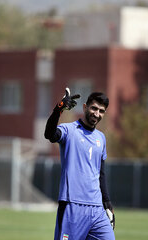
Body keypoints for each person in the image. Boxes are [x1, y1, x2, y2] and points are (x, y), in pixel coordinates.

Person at [44, 88, 115, 240]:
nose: (97, 113)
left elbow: (100, 173)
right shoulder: (70, 130)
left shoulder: (101, 138)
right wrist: (59, 108)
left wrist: (107, 203)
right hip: (72, 205)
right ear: (84, 107)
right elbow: (49, 134)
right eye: (94, 108)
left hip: (97, 209)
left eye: (101, 111)